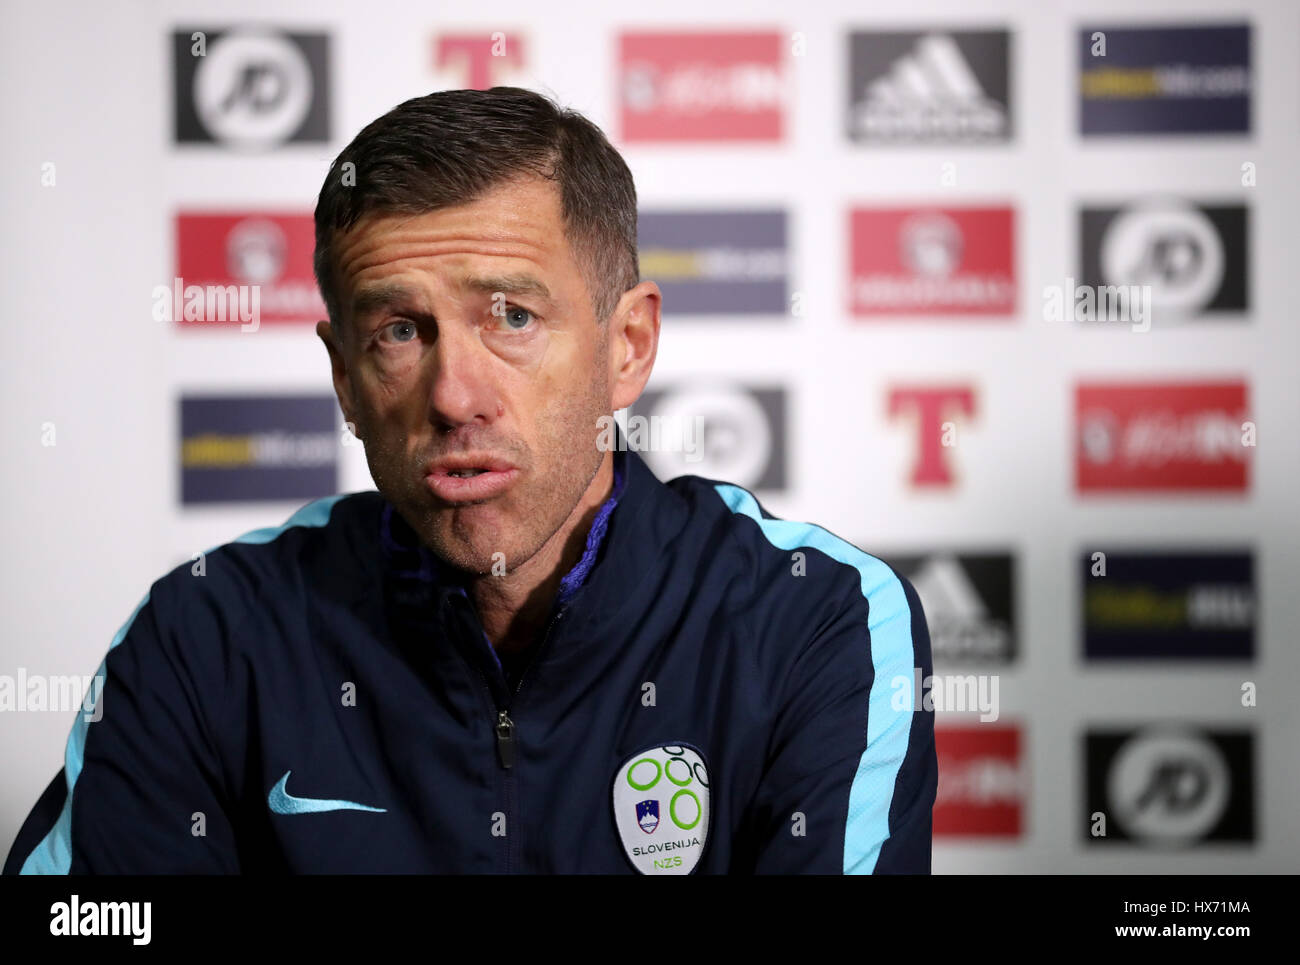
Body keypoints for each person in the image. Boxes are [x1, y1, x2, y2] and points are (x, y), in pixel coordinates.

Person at [5, 87, 935, 874]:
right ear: (345, 379)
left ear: (628, 346)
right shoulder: (206, 635)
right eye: (399, 332)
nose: (455, 397)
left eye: (512, 316)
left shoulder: (816, 617)